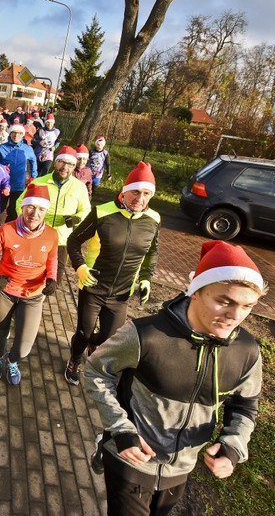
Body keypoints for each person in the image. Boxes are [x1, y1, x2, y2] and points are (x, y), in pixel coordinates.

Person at [84, 240, 265, 516]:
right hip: (131, 461)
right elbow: (97, 371)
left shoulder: (247, 351)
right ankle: (105, 445)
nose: (235, 316)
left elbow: (244, 405)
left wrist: (233, 446)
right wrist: (120, 428)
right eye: (224, 301)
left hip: (181, 470)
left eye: (247, 306)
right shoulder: (147, 334)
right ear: (195, 292)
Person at [63, 161, 160, 386]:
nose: (140, 198)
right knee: (84, 333)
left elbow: (152, 252)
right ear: (125, 191)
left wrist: (146, 278)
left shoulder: (154, 220)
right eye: (135, 191)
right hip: (93, 286)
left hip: (121, 294)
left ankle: (92, 349)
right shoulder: (103, 211)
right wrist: (79, 266)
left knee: (108, 338)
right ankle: (75, 360)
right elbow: (74, 240)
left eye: (146, 193)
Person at [0, 184, 58, 385]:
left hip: (33, 296)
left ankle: (12, 360)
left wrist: (52, 277)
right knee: (0, 335)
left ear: (46, 211)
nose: (34, 213)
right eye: (30, 207)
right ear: (22, 208)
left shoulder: (51, 234)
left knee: (24, 347)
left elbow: (52, 260)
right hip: (5, 291)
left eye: (41, 209)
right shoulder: (6, 230)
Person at [16, 145, 90, 283]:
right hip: (37, 235)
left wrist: (76, 219)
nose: (65, 167)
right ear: (55, 162)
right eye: (61, 162)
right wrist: (29, 220)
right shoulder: (39, 182)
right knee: (29, 274)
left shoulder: (79, 188)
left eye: (70, 164)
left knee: (54, 279)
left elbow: (86, 210)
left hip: (61, 240)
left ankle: (40, 300)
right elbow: (20, 203)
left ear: (74, 167)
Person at [0, 120, 37, 222]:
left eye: (19, 133)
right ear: (10, 133)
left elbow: (33, 161)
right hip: (3, 183)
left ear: (22, 135)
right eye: (14, 133)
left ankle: (9, 229)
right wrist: (2, 168)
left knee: (13, 209)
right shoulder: (2, 147)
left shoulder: (27, 148)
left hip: (19, 184)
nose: (16, 135)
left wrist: (33, 176)